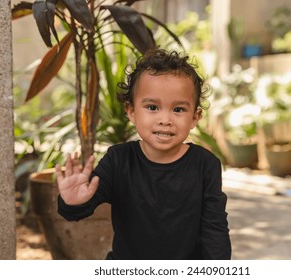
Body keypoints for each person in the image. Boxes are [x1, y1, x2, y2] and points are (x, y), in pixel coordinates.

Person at [56, 48, 231, 260]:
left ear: (195, 117)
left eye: (178, 110)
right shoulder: (118, 160)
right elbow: (80, 210)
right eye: (152, 107)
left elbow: (215, 229)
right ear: (131, 111)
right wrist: (74, 202)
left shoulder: (205, 164)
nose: (165, 119)